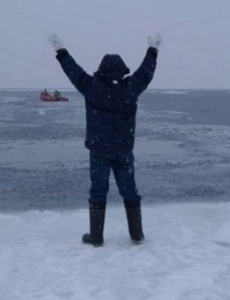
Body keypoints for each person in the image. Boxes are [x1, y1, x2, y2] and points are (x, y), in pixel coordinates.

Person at [48, 33, 162, 246]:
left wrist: (60, 51)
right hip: (124, 150)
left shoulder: (92, 87)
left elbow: (73, 71)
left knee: (98, 191)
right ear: (122, 70)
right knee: (129, 190)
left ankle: (96, 237)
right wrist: (152, 50)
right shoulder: (131, 88)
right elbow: (146, 73)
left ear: (101, 70)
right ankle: (136, 234)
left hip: (99, 150)